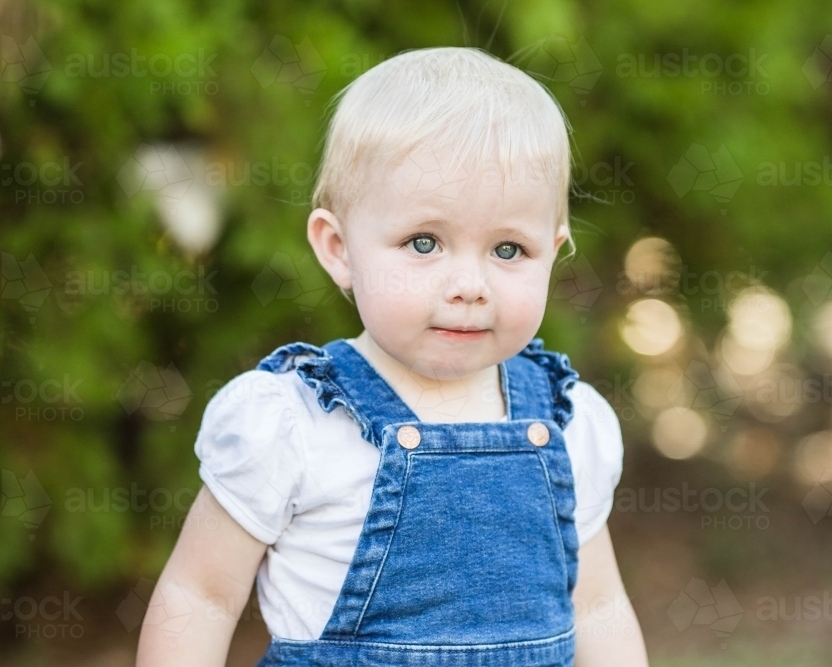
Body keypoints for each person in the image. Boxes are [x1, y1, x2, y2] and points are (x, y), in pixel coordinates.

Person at [137, 46, 648, 667]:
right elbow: (201, 595)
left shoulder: (569, 423)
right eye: (424, 242)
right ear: (339, 248)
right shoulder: (294, 422)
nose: (470, 283)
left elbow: (597, 607)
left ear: (553, 249)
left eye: (509, 250)